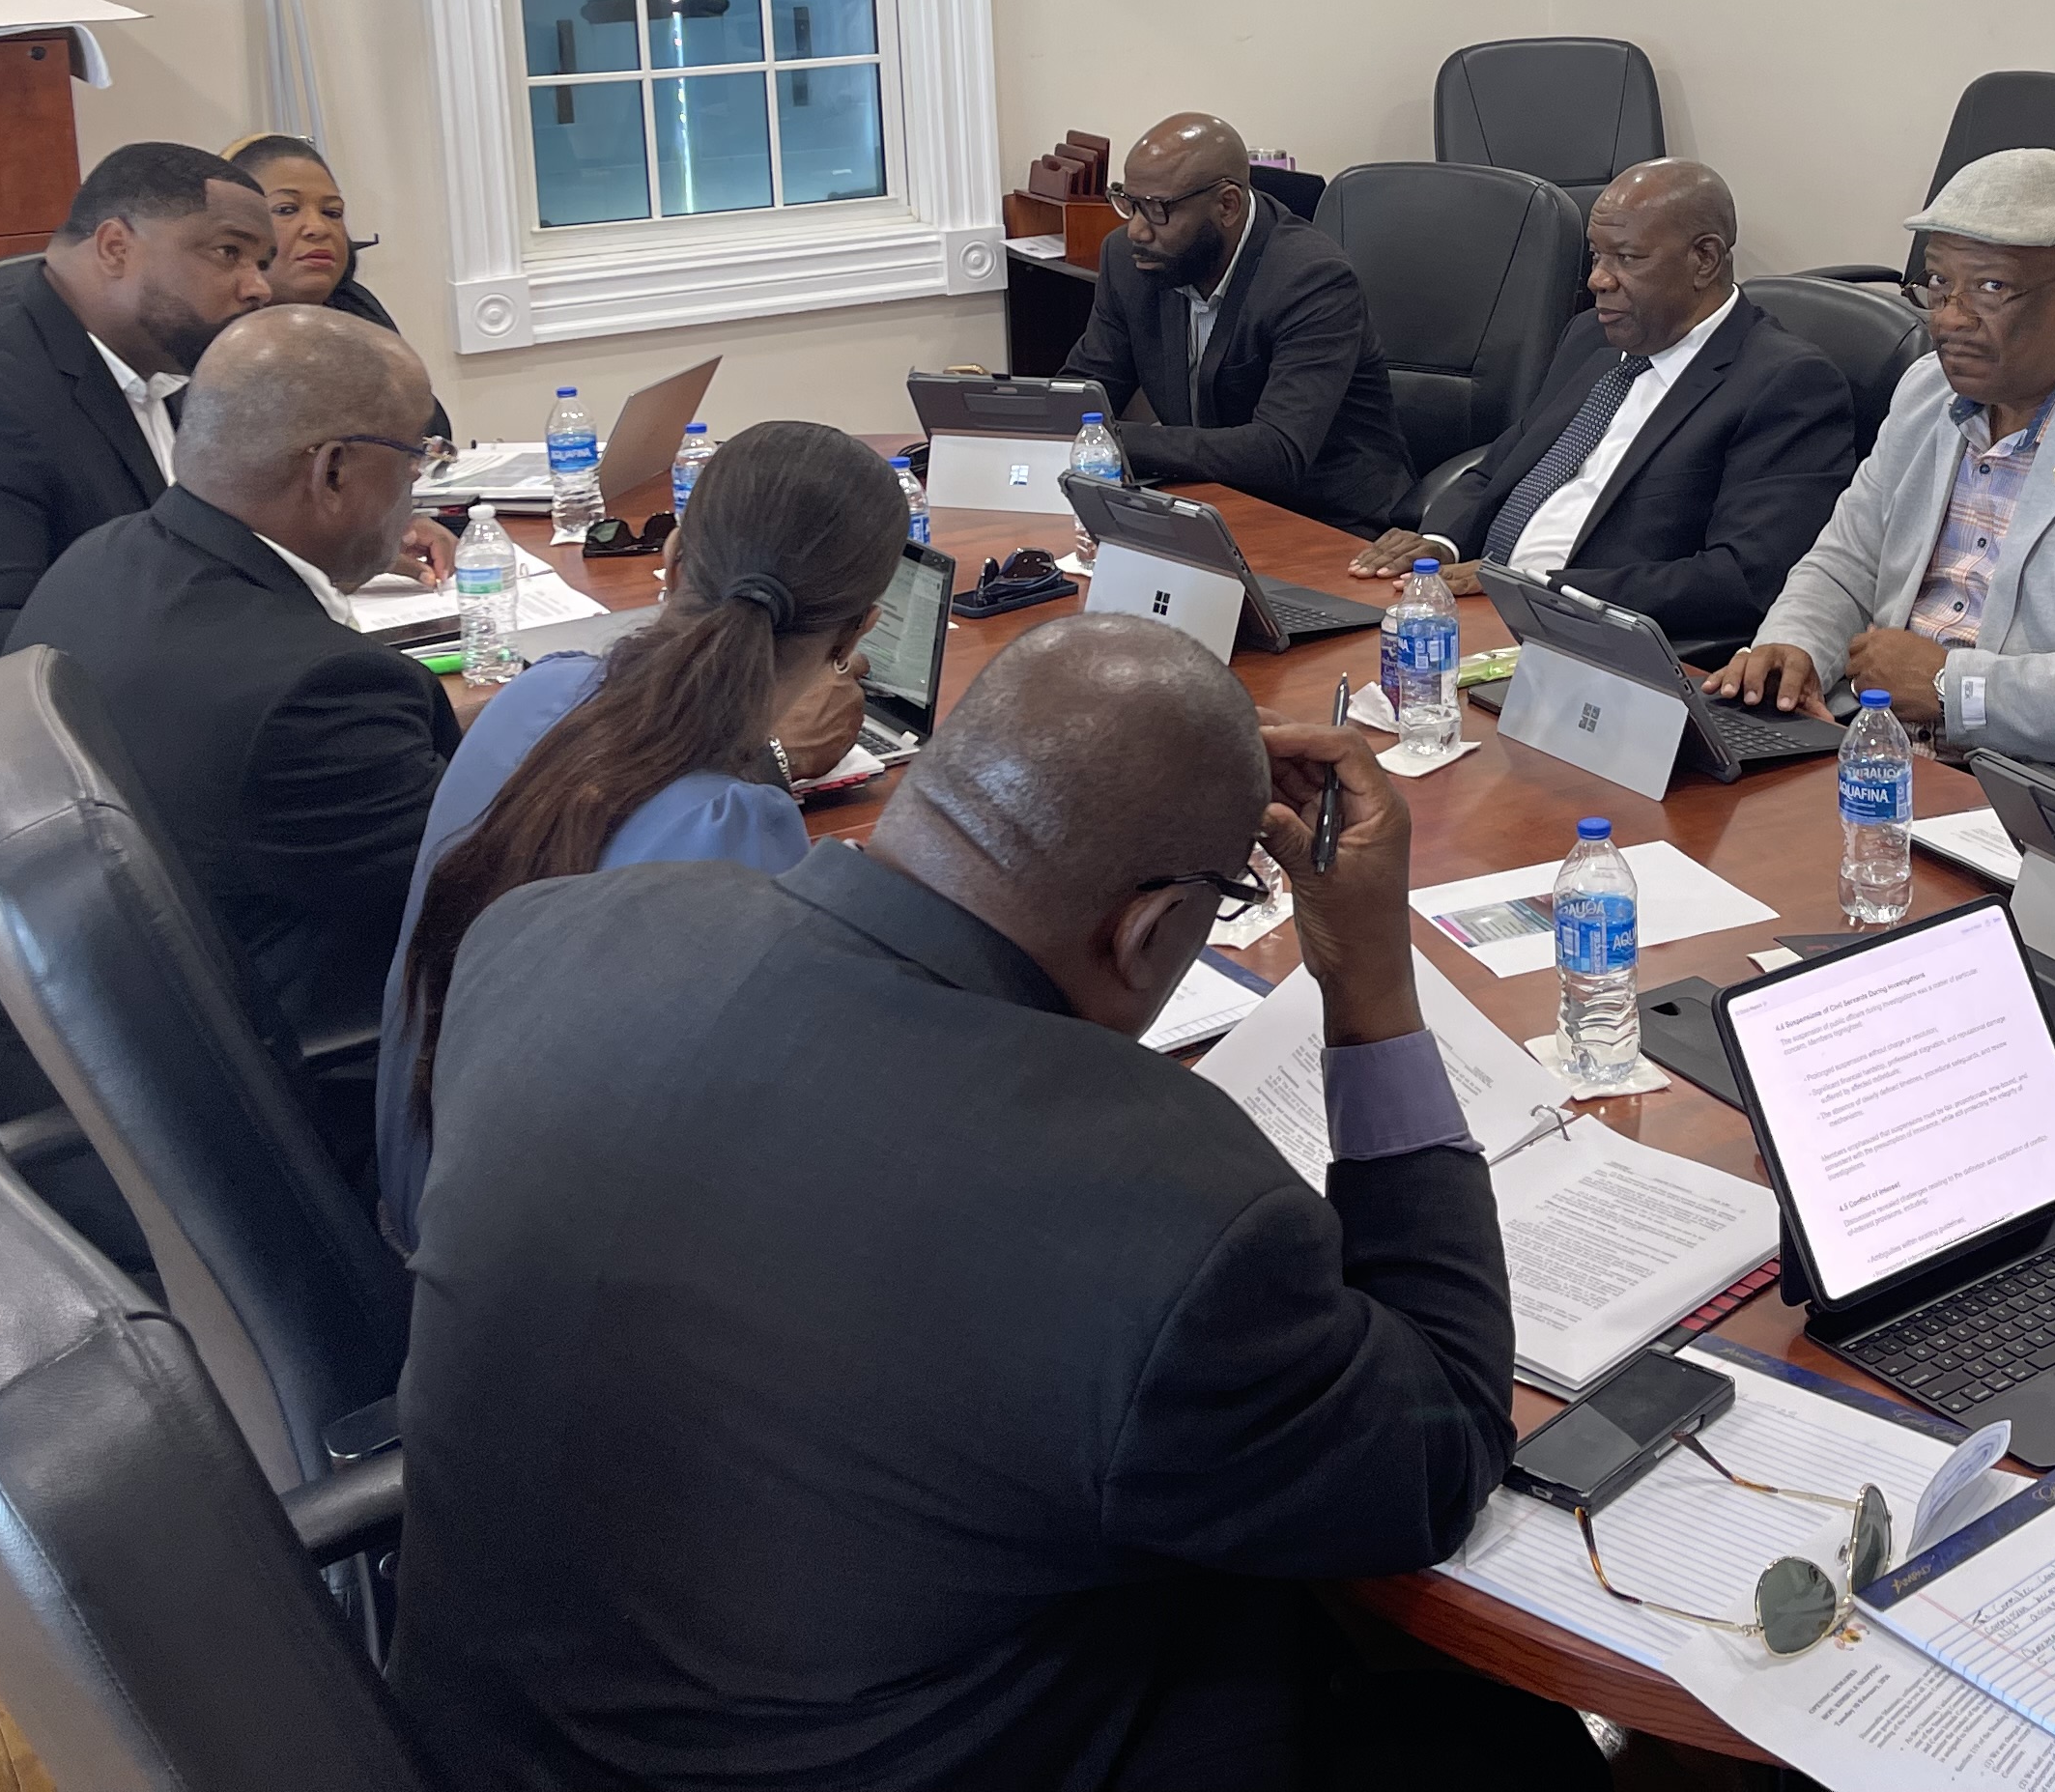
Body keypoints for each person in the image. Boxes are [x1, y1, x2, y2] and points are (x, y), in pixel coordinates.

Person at [385, 617, 1591, 1792]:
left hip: (459, 1734)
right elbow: (1438, 1455)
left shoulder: (548, 933)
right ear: (1151, 929)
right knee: (1502, 1741)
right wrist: (1370, 982)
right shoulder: (1167, 1212)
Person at [373, 418, 905, 1244]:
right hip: (530, 1273)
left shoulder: (536, 692)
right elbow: (754, 1121)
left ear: (677, 559)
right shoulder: (738, 825)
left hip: (421, 1205)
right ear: (857, 631)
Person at [1706, 148, 2055, 767]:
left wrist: (1953, 688)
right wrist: (1792, 647)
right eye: (1939, 284)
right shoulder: (1928, 391)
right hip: (1880, 754)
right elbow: (1849, 562)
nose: (1949, 320)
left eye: (1990, 288)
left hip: (2052, 791)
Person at [10, 305, 453, 1085]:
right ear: (333, 472)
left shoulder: (96, 561)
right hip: (293, 1090)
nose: (417, 486)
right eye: (416, 458)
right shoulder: (318, 694)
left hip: (81, 1058)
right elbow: (495, 884)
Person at [0, 141, 278, 824]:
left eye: (261, 262)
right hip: (7, 820)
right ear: (116, 247)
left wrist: (320, 531)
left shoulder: (159, 372)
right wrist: (221, 622)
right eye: (228, 253)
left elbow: (182, 538)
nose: (258, 286)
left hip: (115, 763)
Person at [1344, 159, 1854, 642]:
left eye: (1627, 258)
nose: (1597, 280)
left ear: (1704, 260)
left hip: (1594, 639)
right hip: (1482, 613)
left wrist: (1537, 588)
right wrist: (1442, 543)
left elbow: (1744, 579)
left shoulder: (1786, 383)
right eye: (1596, 256)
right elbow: (1502, 465)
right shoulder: (1591, 337)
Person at [1058, 112, 1414, 534]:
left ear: (1227, 205)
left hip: (1324, 521)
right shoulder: (1129, 261)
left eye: (1156, 209)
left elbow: (1278, 450)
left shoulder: (1312, 279)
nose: (1136, 229)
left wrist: (1111, 439)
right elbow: (1084, 391)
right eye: (1128, 202)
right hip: (1204, 502)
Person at [228, 130, 451, 441]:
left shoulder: (355, 308)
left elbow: (427, 427)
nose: (318, 228)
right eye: (287, 210)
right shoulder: (214, 330)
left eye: (332, 212)